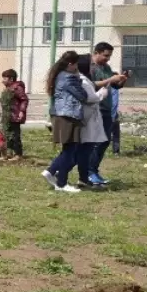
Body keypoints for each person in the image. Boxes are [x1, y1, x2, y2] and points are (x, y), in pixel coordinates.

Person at [42, 51, 88, 193]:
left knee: (68, 149)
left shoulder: (59, 76)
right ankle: (53, 173)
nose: (77, 68)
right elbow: (83, 96)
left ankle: (60, 181)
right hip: (68, 115)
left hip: (60, 115)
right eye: (76, 65)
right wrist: (80, 80)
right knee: (70, 150)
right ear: (70, 64)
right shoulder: (69, 78)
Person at [87, 42, 127, 185]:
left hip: (106, 109)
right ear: (96, 52)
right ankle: (88, 172)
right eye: (105, 56)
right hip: (95, 108)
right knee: (94, 142)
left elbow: (112, 85)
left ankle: (93, 170)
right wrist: (110, 79)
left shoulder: (106, 67)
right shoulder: (89, 67)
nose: (107, 59)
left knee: (104, 141)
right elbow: (90, 85)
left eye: (109, 56)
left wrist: (120, 81)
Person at [75, 54, 110, 187]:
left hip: (91, 119)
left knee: (84, 149)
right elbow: (90, 99)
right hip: (87, 119)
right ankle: (56, 170)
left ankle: (84, 178)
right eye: (90, 64)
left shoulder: (85, 79)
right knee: (80, 150)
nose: (92, 67)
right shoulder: (83, 81)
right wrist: (102, 93)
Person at [0, 69, 28, 160]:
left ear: (11, 79)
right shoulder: (8, 88)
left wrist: (21, 111)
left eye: (5, 78)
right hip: (8, 115)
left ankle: (18, 154)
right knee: (8, 134)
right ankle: (9, 153)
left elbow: (24, 99)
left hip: (15, 115)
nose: (3, 80)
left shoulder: (16, 88)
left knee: (15, 135)